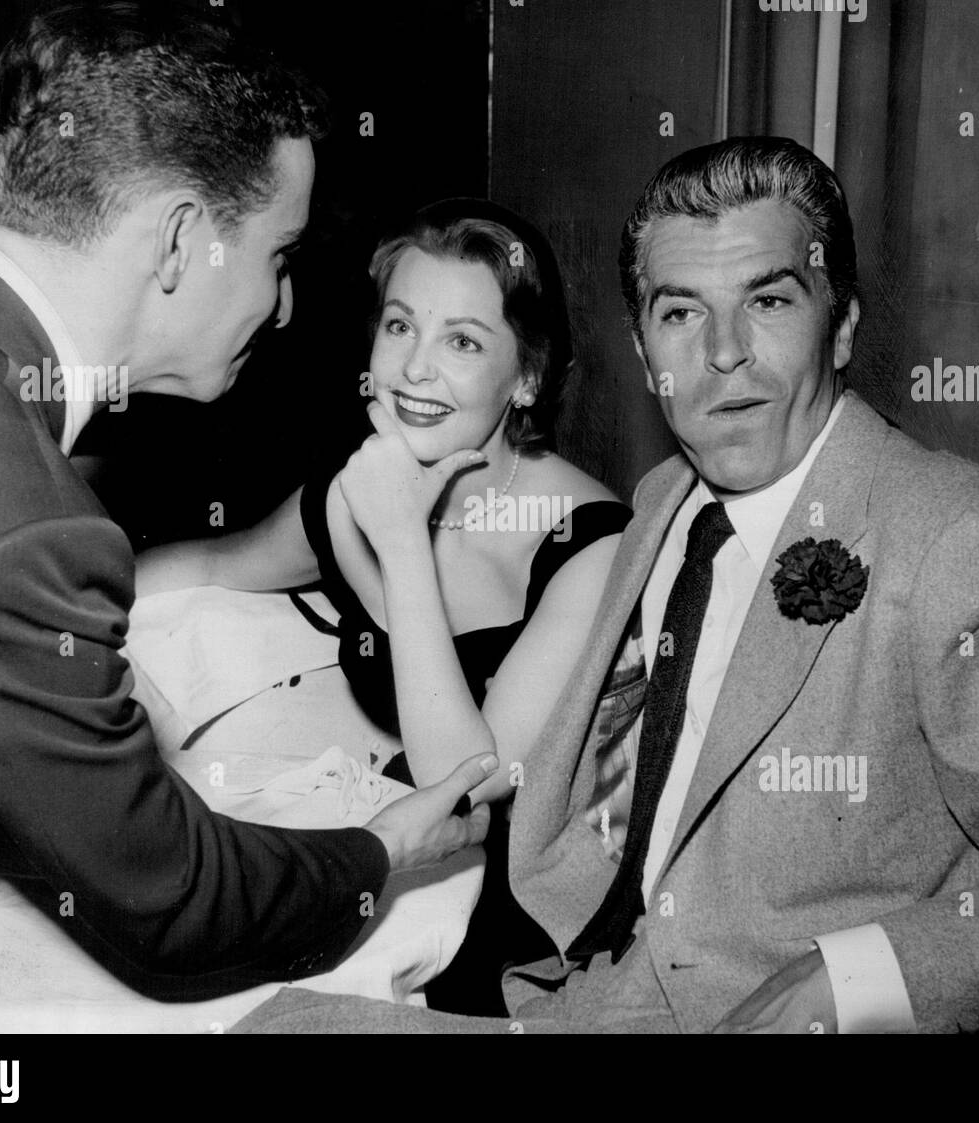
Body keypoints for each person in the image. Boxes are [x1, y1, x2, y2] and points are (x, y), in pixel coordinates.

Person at [231, 136, 979, 1034]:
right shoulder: (665, 504)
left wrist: (848, 984)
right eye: (681, 312)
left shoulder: (969, 542)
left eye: (767, 301)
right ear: (645, 355)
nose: (723, 352)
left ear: (841, 326)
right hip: (568, 981)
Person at [0, 2, 494, 996]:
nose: (283, 306)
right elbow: (172, 900)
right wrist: (382, 853)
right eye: (278, 255)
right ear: (177, 244)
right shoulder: (24, 531)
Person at [137, 199, 630, 1012]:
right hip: (394, 857)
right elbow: (214, 563)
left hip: (517, 926)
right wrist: (51, 601)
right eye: (400, 326)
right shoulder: (358, 488)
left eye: (463, 341)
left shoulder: (592, 546)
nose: (415, 368)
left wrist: (402, 540)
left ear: (529, 377)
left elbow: (463, 778)